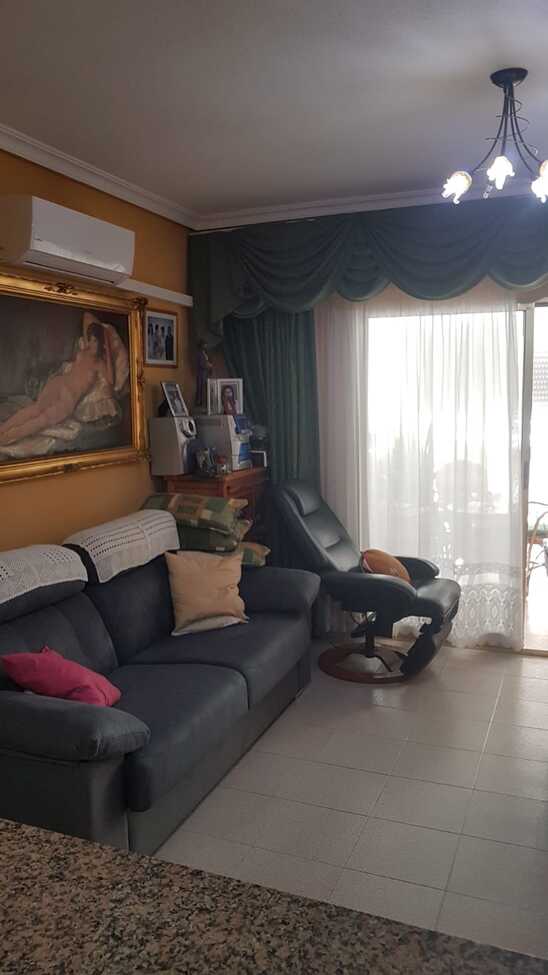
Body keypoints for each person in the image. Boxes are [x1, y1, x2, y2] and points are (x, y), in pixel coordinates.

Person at [0, 322, 115, 447]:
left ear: (102, 343)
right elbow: (88, 320)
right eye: (90, 340)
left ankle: (6, 438)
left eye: (95, 341)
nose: (92, 345)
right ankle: (2, 429)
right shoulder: (83, 352)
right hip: (59, 383)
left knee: (42, 420)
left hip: (69, 397)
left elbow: (111, 380)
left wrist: (108, 350)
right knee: (35, 409)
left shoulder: (99, 364)